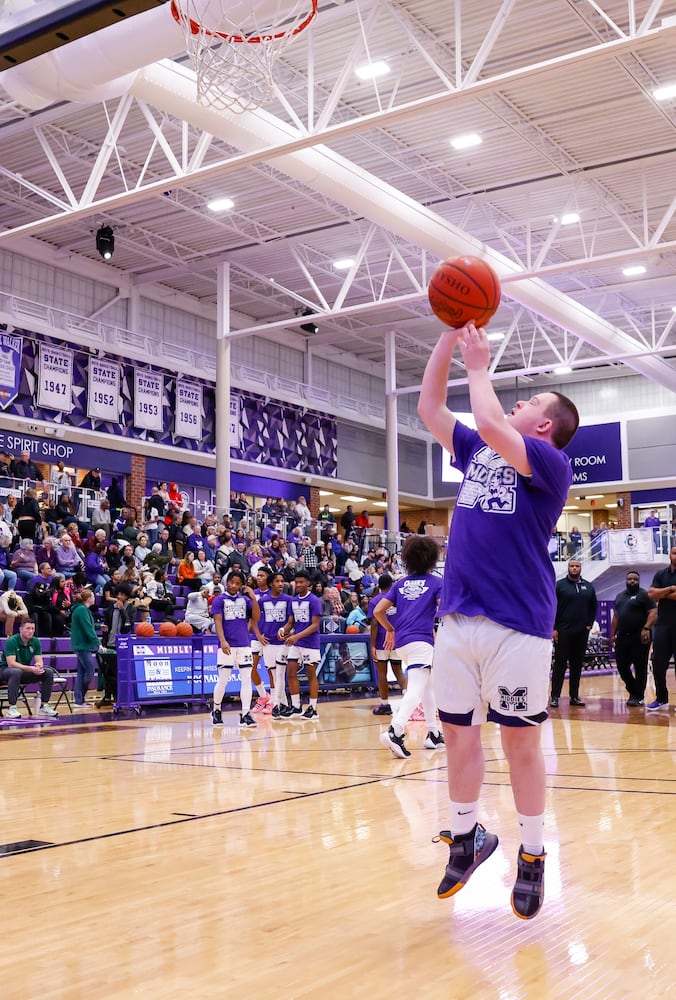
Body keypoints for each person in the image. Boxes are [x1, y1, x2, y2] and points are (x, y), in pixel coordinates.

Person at [417, 320, 578, 921]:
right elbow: (431, 406)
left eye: (531, 401)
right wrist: (447, 332)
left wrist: (479, 364)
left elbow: (487, 418)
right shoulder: (480, 451)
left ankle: (532, 854)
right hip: (457, 615)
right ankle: (468, 837)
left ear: (544, 426)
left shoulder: (548, 464)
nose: (520, 400)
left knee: (519, 744)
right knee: (458, 734)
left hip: (518, 623)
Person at [374, 536, 443, 757]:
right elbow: (444, 611)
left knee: (428, 686)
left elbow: (378, 611)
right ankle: (396, 729)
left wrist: (391, 629)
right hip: (422, 641)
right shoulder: (436, 583)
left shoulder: (400, 583)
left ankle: (433, 733)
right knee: (416, 687)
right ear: (432, 559)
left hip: (402, 642)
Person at [210, 569, 259, 729]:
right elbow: (217, 622)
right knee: (223, 680)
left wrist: (252, 596)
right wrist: (222, 641)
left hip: (244, 645)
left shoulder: (245, 600)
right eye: (232, 582)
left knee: (246, 680)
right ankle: (216, 709)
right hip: (227, 646)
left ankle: (245, 714)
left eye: (238, 583)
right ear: (227, 582)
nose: (234, 585)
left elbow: (256, 618)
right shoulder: (219, 600)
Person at [551, 559, 597, 708]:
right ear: (568, 568)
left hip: (581, 633)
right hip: (563, 631)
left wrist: (589, 624)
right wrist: (554, 628)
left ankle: (574, 697)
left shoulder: (588, 587)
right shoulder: (559, 586)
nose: (575, 568)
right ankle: (555, 697)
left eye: (577, 566)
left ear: (580, 568)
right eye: (572, 566)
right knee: (560, 665)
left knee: (577, 665)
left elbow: (593, 606)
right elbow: (552, 607)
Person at [278, 568, 322, 720]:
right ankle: (296, 706)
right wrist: (284, 629)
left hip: (310, 642)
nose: (298, 584)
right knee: (290, 673)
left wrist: (296, 636)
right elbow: (291, 622)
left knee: (311, 675)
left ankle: (313, 708)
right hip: (296, 642)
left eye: (301, 582)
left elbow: (315, 625)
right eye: (296, 582)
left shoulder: (314, 600)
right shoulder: (293, 600)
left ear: (308, 583)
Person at [610, 571, 657, 707]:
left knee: (640, 666)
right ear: (626, 580)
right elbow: (616, 617)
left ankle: (638, 696)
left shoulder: (645, 595)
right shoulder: (619, 597)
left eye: (635, 579)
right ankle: (634, 690)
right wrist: (612, 634)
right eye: (630, 579)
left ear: (639, 581)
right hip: (623, 637)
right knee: (622, 667)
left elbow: (653, 613)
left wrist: (646, 628)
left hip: (640, 637)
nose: (632, 581)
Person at [0, 618, 57, 718]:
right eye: (28, 628)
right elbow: (11, 664)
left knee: (48, 672)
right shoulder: (12, 641)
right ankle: (11, 708)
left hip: (22, 672)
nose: (31, 631)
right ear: (21, 629)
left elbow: (39, 660)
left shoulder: (35, 642)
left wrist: (39, 666)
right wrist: (31, 669)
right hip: (5, 672)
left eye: (33, 629)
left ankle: (44, 706)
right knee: (15, 672)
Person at [255, 571, 293, 719]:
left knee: (280, 674)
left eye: (282, 581)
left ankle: (278, 704)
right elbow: (254, 620)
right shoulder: (262, 601)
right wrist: (258, 635)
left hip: (283, 642)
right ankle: (282, 704)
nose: (280, 584)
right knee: (274, 675)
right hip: (268, 642)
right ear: (271, 583)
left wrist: (290, 631)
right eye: (277, 581)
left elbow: (292, 620)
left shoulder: (289, 600)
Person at [368, 573, 407, 716]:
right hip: (397, 640)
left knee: (382, 673)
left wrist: (372, 645)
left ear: (379, 585)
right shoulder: (399, 599)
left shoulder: (375, 600)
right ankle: (408, 702)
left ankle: (385, 705)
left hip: (381, 642)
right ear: (391, 585)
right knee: (398, 671)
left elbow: (374, 624)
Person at [646, 546, 676, 710]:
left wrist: (662, 593)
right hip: (663, 624)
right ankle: (662, 699)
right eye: (674, 552)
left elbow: (657, 594)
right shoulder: (660, 574)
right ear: (669, 555)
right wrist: (671, 589)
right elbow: (651, 594)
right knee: (657, 663)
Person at [98, 583, 136, 705]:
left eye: (122, 594)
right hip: (110, 643)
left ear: (127, 596)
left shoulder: (130, 608)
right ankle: (108, 696)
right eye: (118, 594)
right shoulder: (110, 608)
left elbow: (128, 626)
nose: (119, 596)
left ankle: (119, 696)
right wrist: (103, 642)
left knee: (119, 672)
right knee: (107, 672)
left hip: (123, 645)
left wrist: (122, 610)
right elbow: (106, 627)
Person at [70, 588, 105, 709]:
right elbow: (87, 628)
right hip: (82, 645)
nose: (95, 598)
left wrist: (99, 626)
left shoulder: (83, 610)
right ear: (89, 598)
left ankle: (79, 700)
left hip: (82, 645)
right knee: (89, 672)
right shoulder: (82, 610)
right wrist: (98, 643)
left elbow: (89, 625)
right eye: (93, 596)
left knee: (82, 672)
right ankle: (79, 698)